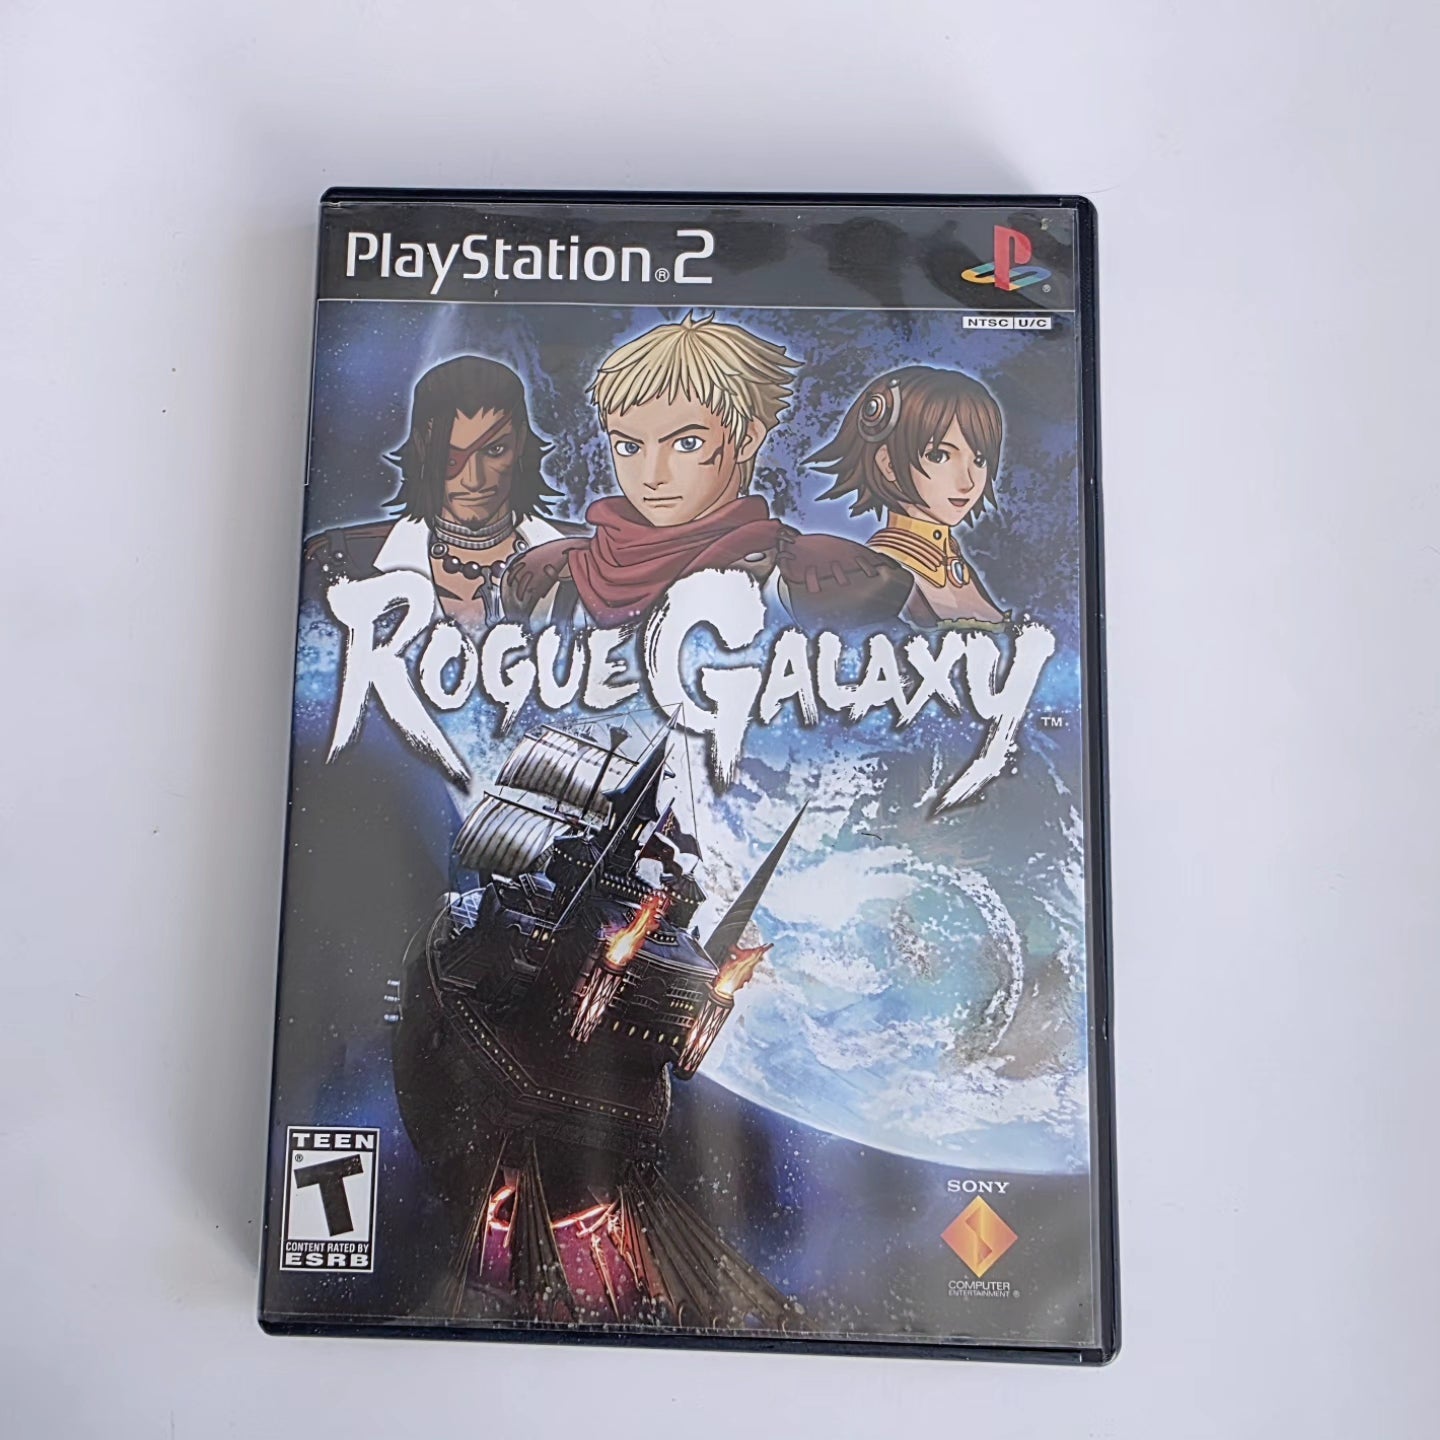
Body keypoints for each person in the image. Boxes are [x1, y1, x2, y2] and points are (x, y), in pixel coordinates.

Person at [501, 314, 911, 628]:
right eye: (629, 446)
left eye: (686, 444)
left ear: (746, 438)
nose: (652, 475)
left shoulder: (803, 580)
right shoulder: (557, 581)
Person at [306, 356, 571, 628]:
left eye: (494, 450)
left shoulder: (587, 561)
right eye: (450, 457)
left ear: (521, 441)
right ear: (422, 449)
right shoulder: (338, 564)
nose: (474, 480)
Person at [807, 365, 1011, 630]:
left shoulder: (955, 564)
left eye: (979, 460)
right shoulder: (879, 576)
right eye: (939, 456)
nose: (968, 482)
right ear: (888, 463)